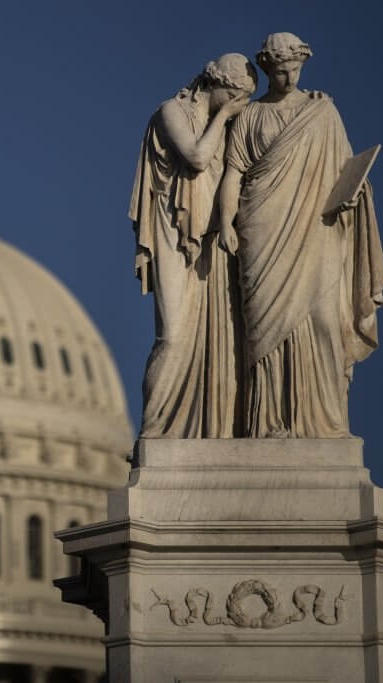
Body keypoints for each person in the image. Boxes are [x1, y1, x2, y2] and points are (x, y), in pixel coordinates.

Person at [217, 33, 383, 438]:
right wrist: (225, 221)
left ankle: (325, 424)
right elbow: (232, 174)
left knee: (325, 322)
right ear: (266, 70)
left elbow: (346, 170)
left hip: (317, 229)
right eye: (279, 71)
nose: (288, 77)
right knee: (264, 332)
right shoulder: (250, 117)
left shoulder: (323, 112)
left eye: (294, 69)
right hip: (261, 228)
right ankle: (269, 422)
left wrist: (354, 195)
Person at [129, 54, 257, 438]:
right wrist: (222, 116)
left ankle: (208, 427)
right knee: (172, 335)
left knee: (218, 339)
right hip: (173, 233)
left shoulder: (228, 125)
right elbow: (197, 158)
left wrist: (307, 103)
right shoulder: (173, 112)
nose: (239, 106)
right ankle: (155, 431)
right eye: (235, 96)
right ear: (215, 83)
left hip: (211, 240)